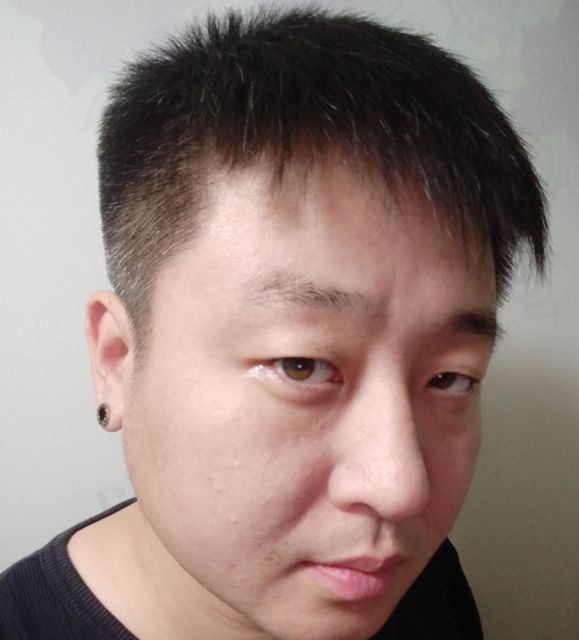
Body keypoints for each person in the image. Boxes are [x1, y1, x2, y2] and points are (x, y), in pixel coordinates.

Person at [0, 6, 548, 639]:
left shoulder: (417, 579)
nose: (403, 490)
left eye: (450, 378)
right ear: (117, 360)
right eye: (302, 365)